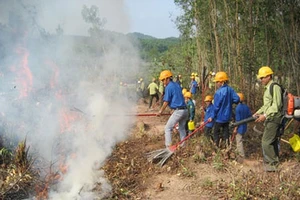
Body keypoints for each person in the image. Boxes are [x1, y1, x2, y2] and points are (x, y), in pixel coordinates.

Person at [253, 66, 283, 172]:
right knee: (272, 141)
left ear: (269, 76)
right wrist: (258, 112)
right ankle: (274, 162)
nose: (261, 80)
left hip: (274, 118)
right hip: (270, 117)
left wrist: (264, 115)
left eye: (263, 78)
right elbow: (266, 106)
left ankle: (273, 164)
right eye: (260, 78)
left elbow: (276, 105)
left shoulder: (275, 87)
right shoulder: (267, 88)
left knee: (266, 141)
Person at [157, 70, 189, 147]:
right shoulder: (177, 85)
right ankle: (183, 145)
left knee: (168, 128)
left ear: (167, 79)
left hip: (179, 111)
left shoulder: (169, 87)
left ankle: (168, 147)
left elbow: (166, 101)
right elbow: (177, 98)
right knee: (181, 128)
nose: (162, 82)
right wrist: (173, 109)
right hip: (185, 110)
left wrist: (160, 111)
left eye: (162, 80)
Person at [208, 71, 240, 148]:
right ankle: (227, 147)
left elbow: (216, 107)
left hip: (219, 117)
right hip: (227, 117)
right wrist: (229, 101)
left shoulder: (218, 92)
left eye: (217, 82)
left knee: (216, 132)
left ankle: (216, 148)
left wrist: (212, 116)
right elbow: (237, 99)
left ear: (222, 81)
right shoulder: (230, 90)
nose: (216, 84)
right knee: (226, 133)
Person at [233, 93, 252, 160]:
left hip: (240, 128)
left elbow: (238, 120)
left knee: (239, 142)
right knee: (240, 141)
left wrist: (235, 129)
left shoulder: (238, 108)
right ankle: (237, 155)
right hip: (245, 127)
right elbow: (250, 116)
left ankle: (241, 158)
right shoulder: (246, 107)